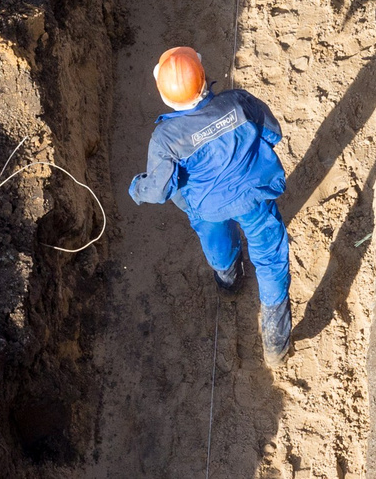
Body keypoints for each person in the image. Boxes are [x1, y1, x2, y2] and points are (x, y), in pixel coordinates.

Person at [125, 45, 295, 362]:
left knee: (215, 239)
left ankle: (229, 281)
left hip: (207, 207)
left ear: (165, 97)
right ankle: (276, 343)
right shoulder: (238, 102)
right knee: (271, 262)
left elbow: (159, 189)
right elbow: (272, 133)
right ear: (204, 80)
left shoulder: (165, 139)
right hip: (253, 197)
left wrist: (137, 188)